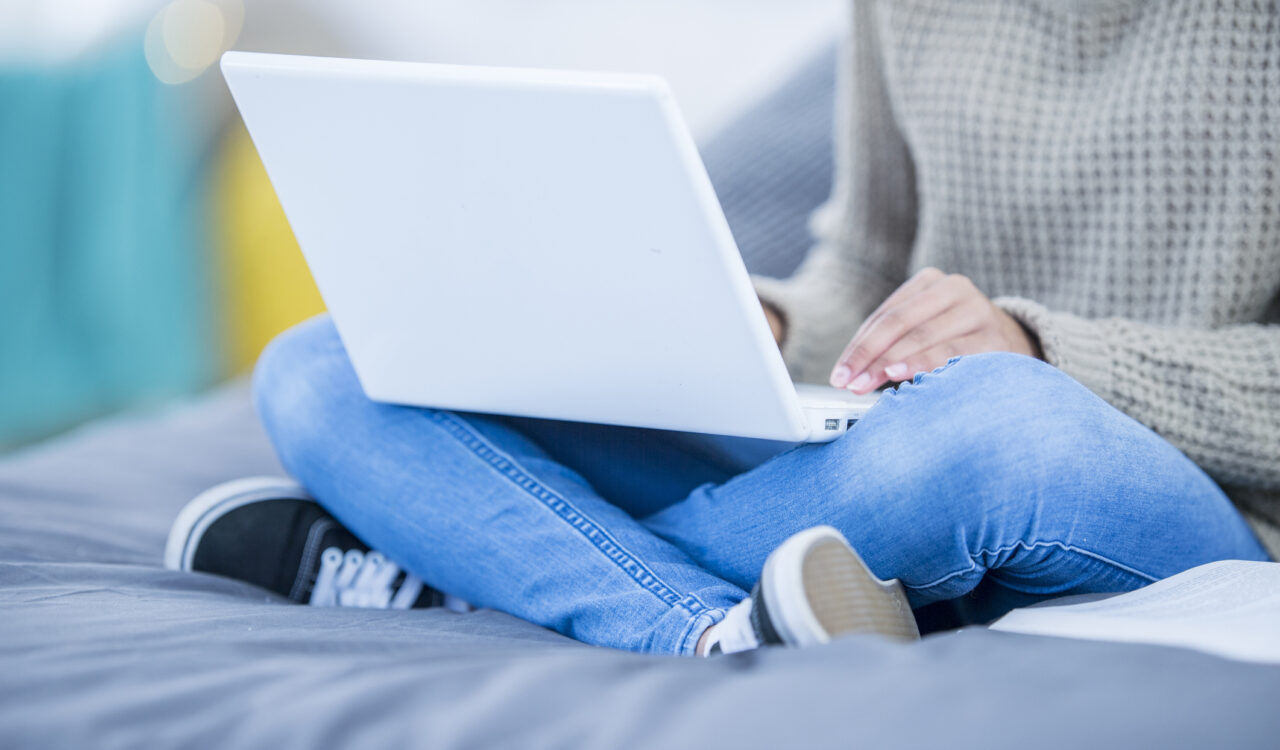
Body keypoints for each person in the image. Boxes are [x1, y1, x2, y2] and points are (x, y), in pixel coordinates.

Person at [166, 0, 1278, 657]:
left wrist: (1039, 349)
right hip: (891, 437)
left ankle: (471, 567)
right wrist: (762, 321)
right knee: (325, 363)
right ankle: (704, 632)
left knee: (1001, 422)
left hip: (1159, 484)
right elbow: (864, 269)